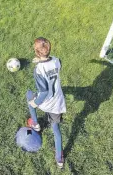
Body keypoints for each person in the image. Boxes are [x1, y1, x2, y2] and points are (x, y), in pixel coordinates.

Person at [26, 37, 66, 169]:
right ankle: (60, 159)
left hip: (45, 102)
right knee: (56, 130)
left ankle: (36, 125)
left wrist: (35, 103)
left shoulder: (38, 69)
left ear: (36, 52)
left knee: (29, 95)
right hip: (57, 103)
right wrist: (41, 59)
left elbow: (43, 92)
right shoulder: (56, 60)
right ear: (49, 49)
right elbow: (55, 62)